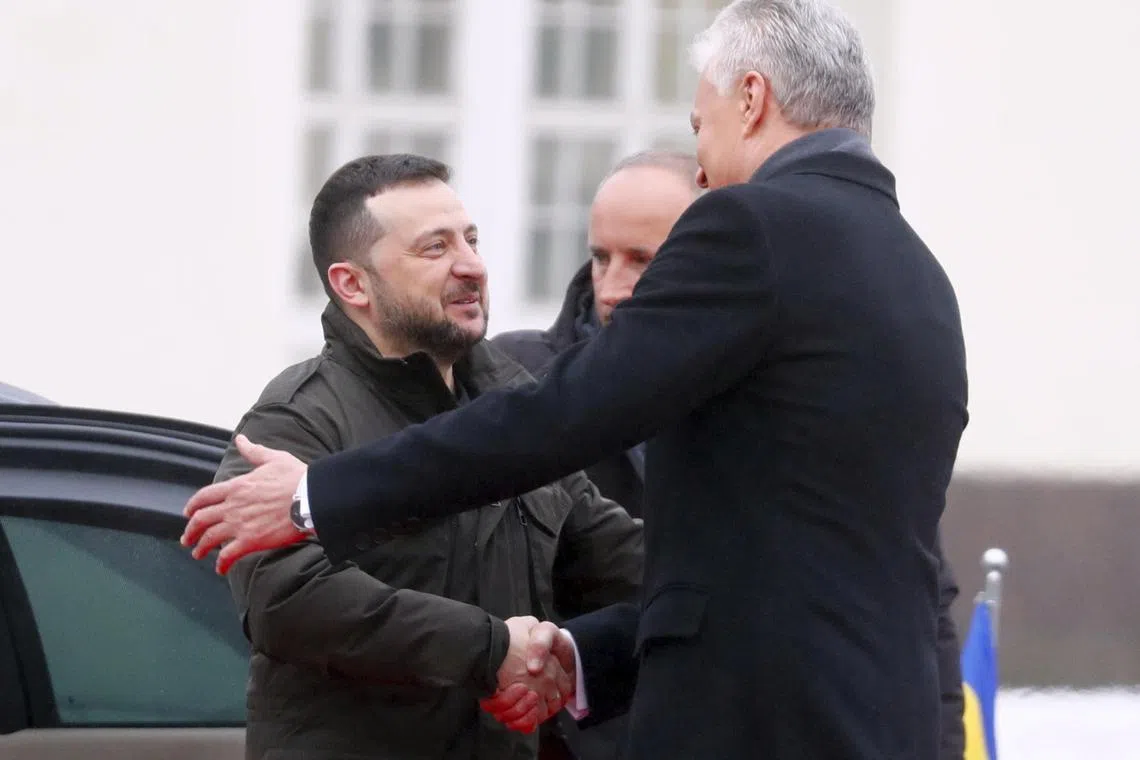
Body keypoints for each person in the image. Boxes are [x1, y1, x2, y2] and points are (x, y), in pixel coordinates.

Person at [182, 1, 970, 758]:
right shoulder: (917, 273)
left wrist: (315, 497)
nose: (701, 164)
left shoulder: (753, 226)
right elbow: (763, 560)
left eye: (700, 125)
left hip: (759, 724)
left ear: (753, 98)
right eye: (434, 246)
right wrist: (577, 656)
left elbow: (569, 413)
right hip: (871, 717)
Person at [494, 147, 966, 760]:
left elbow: (918, 601)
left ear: (708, 257)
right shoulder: (518, 383)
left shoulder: (794, 398)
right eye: (600, 257)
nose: (611, 289)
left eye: (643, 260)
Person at [214, 153, 643, 760]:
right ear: (352, 284)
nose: (472, 266)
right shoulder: (296, 418)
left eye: (471, 240)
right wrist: (491, 649)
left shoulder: (511, 406)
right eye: (434, 248)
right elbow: (286, 599)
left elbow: (616, 556)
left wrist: (724, 579)